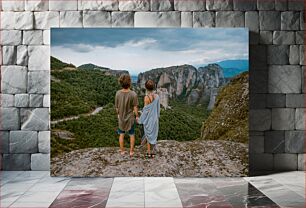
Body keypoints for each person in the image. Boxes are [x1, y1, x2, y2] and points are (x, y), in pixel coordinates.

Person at [115, 74, 139, 157]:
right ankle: (131, 151)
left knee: (121, 134)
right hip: (130, 119)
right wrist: (137, 116)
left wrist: (118, 114)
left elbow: (117, 107)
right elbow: (135, 107)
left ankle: (122, 151)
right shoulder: (133, 94)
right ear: (130, 83)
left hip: (121, 118)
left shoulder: (117, 93)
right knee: (132, 135)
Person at [138, 80, 160, 158]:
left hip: (149, 120)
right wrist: (157, 116)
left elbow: (145, 111)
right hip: (155, 119)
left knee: (148, 135)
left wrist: (140, 120)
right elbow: (158, 108)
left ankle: (149, 152)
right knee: (154, 135)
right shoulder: (157, 96)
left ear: (146, 88)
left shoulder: (146, 98)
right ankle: (153, 152)